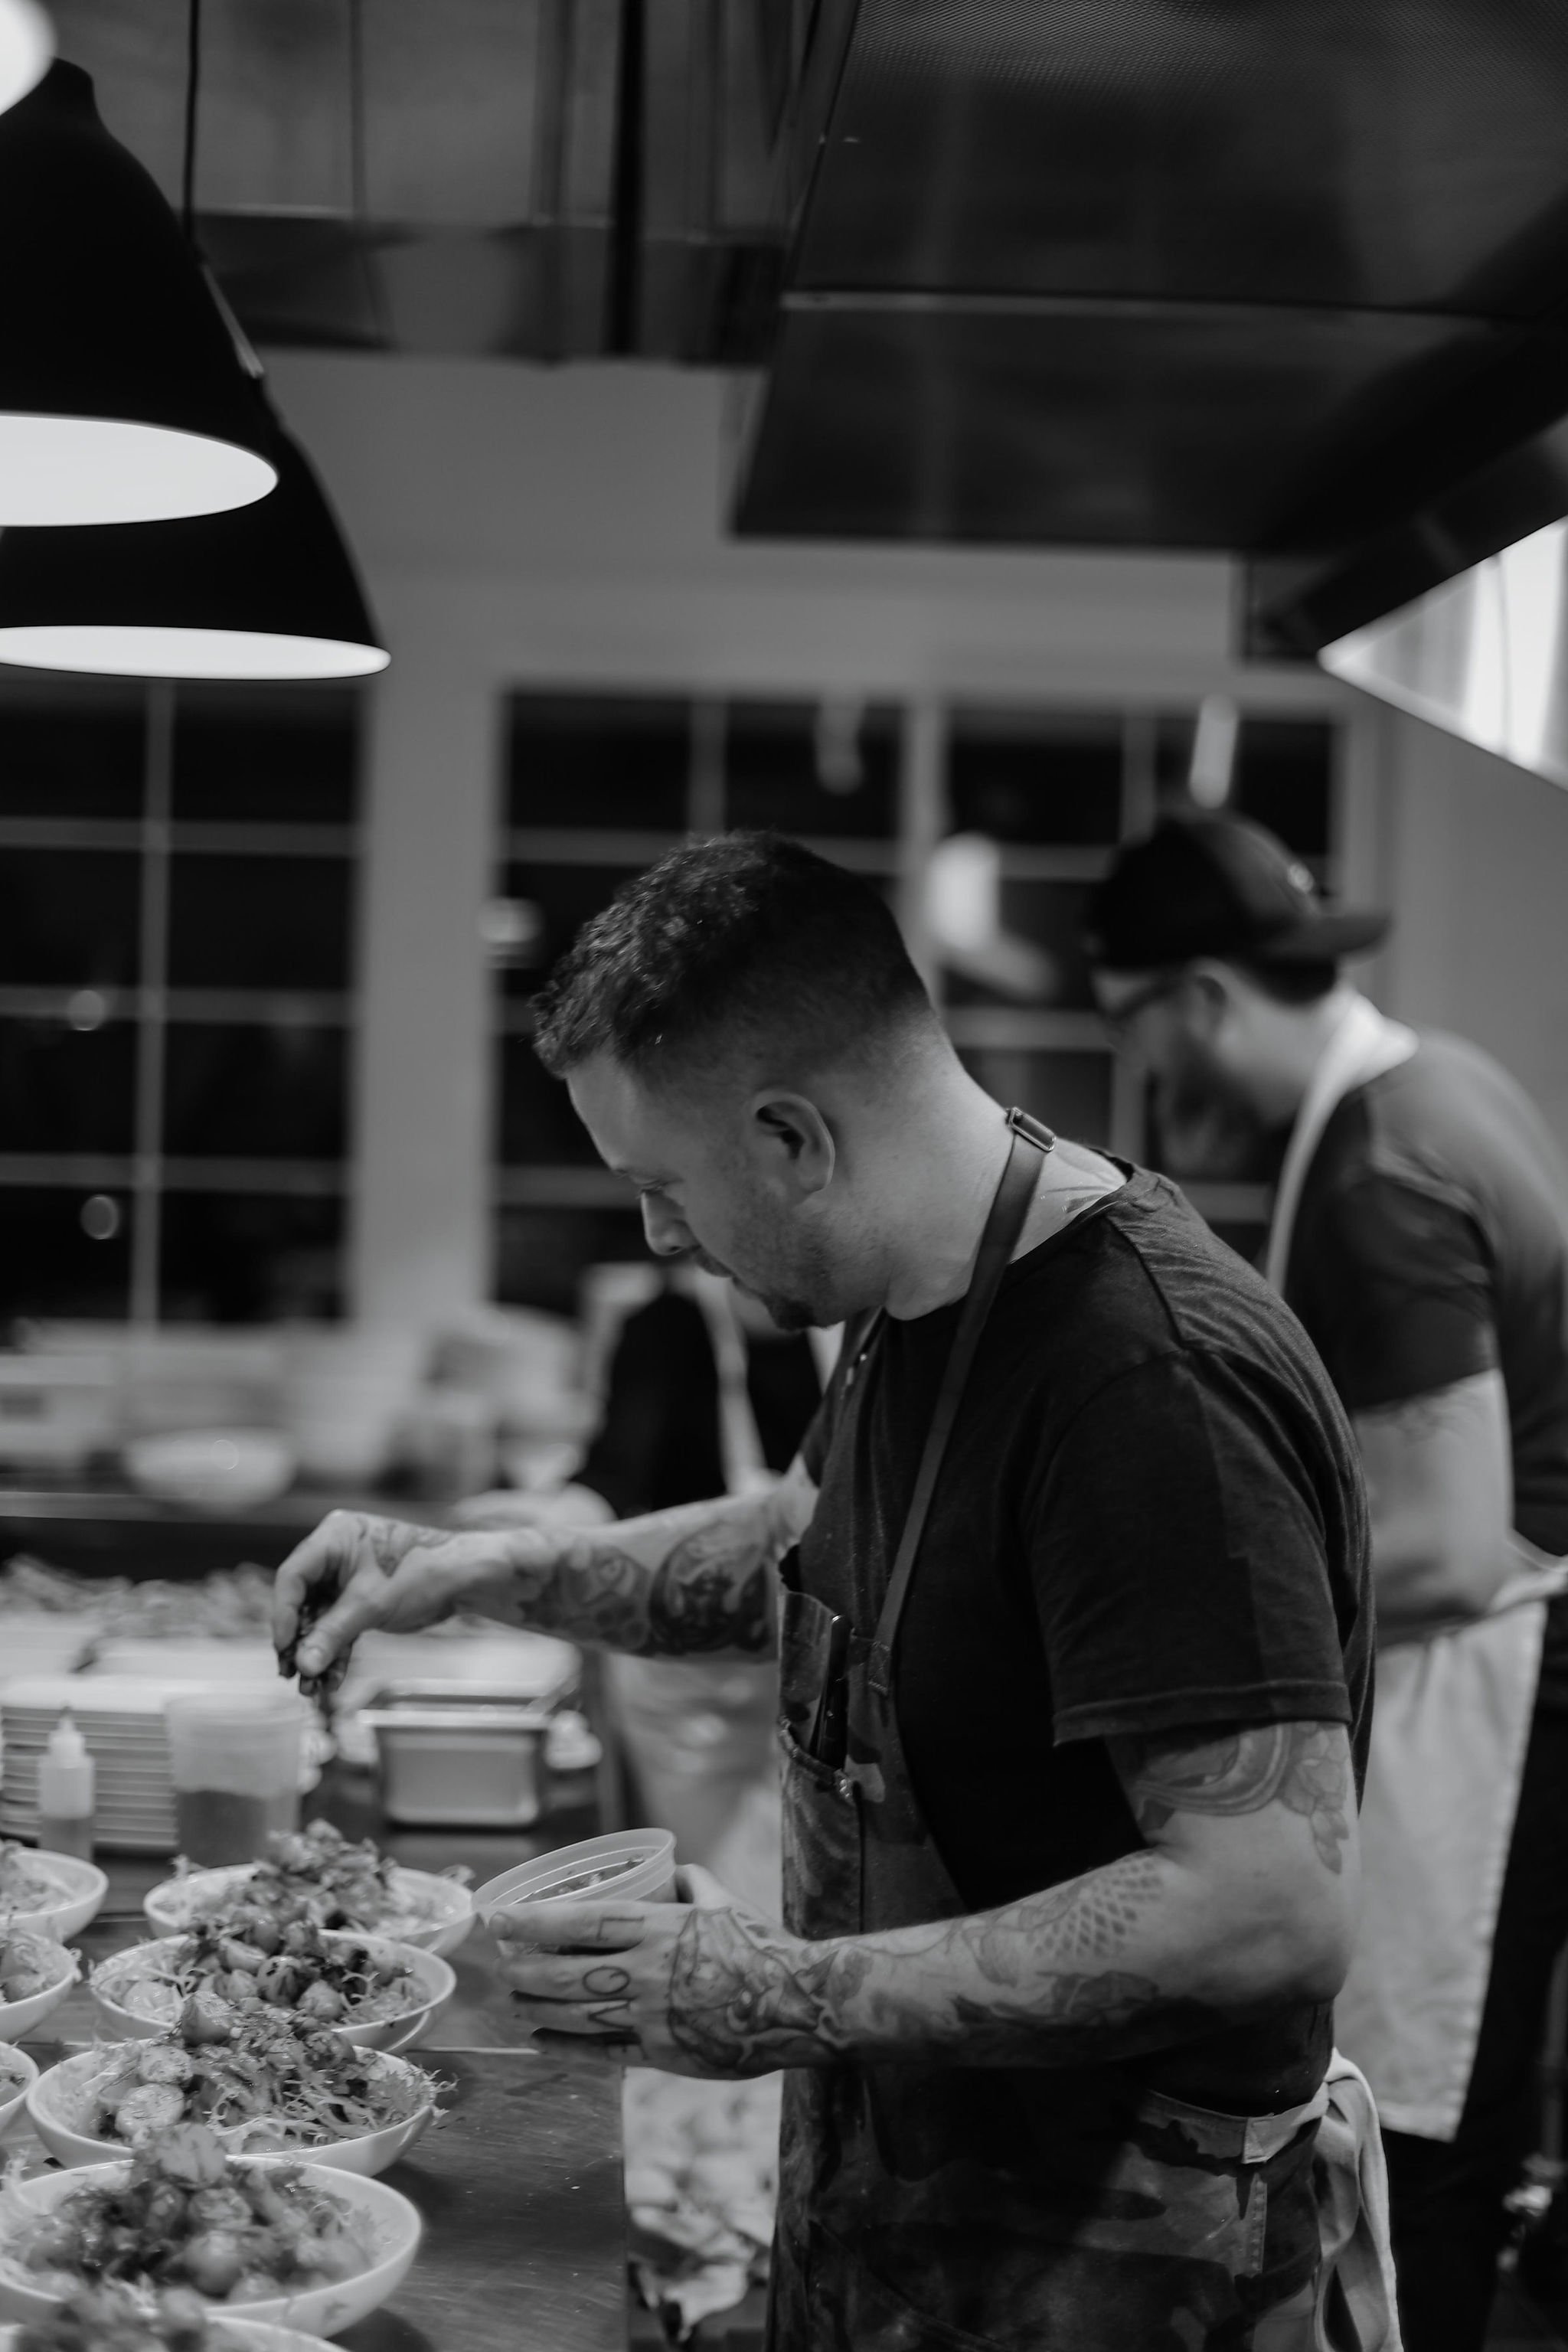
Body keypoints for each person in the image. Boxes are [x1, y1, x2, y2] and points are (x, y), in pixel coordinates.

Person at [274, 831, 1386, 2352]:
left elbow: (1265, 1908)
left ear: (794, 1138)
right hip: (920, 2238)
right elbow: (798, 1544)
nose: (659, 1237)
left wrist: (775, 1995)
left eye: (666, 1186)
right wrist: (476, 1568)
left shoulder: (1148, 1384)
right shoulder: (919, 1296)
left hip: (1122, 2273)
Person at [1087, 811, 1568, 2352]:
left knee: (1416, 2149)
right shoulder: (1443, 1082)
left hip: (1490, 1703)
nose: (1149, 1077)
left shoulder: (1381, 1169)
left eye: (1137, 1027)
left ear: (1205, 998)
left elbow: (1442, 1539)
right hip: (1493, 1679)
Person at [461, 1266, 830, 1911]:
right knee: (725, 1890)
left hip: (818, 1661)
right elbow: (613, 1474)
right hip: (692, 1684)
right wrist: (544, 1529)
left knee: (819, 1883)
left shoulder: (857, 1324)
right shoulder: (666, 1327)